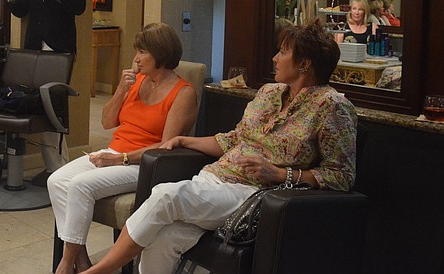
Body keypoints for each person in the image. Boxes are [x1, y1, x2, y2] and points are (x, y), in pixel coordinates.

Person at [83, 22, 357, 274]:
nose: (274, 58)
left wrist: (279, 174)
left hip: (252, 194)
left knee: (167, 195)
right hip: (213, 180)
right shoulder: (269, 93)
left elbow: (341, 176)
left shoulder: (331, 107)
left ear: (304, 64)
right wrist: (183, 141)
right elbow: (233, 140)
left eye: (283, 52)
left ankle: (100, 270)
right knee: (163, 238)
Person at [48, 23, 198, 274]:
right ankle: (81, 261)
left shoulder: (183, 93)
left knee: (80, 185)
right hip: (116, 152)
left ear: (161, 54)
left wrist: (122, 159)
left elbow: (166, 146)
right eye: (137, 51)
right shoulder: (137, 82)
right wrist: (121, 89)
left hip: (145, 164)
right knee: (57, 180)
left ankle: (65, 264)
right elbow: (107, 122)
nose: (136, 58)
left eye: (142, 52)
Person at [4, 0, 88, 181]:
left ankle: (59, 169)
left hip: (59, 48)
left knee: (55, 106)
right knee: (38, 105)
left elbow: (78, 7)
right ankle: (54, 167)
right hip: (34, 48)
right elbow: (22, 12)